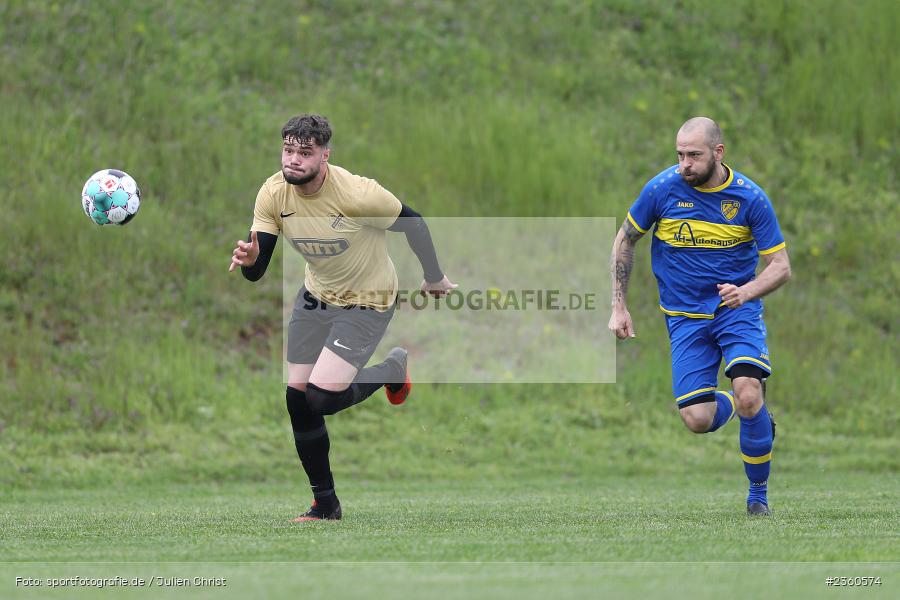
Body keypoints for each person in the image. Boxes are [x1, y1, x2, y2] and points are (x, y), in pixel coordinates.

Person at [229, 114, 456, 522]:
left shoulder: (357, 193)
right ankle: (326, 506)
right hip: (316, 298)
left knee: (322, 398)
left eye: (305, 152)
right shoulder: (273, 193)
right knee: (297, 400)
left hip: (367, 301)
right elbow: (256, 270)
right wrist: (249, 260)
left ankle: (390, 369)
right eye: (288, 150)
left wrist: (434, 277)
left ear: (324, 156)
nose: (293, 160)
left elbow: (414, 223)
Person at [608, 117, 791, 516]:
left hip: (734, 312)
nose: (685, 164)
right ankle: (750, 408)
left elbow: (780, 266)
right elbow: (625, 239)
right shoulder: (662, 189)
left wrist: (746, 292)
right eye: (680, 155)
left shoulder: (749, 199)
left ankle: (757, 497)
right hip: (684, 319)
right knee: (697, 418)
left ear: (718, 153)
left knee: (748, 389)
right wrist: (618, 305)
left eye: (694, 155)